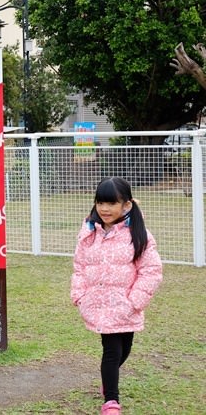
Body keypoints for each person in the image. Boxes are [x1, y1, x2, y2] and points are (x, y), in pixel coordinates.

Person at [71, 177, 162, 415]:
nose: (104, 209)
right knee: (111, 351)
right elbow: (79, 266)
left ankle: (108, 378)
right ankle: (111, 401)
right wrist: (80, 294)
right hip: (100, 304)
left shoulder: (138, 234)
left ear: (127, 205)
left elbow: (151, 271)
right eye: (100, 202)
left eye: (111, 203)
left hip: (126, 305)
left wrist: (135, 302)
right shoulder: (89, 231)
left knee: (124, 349)